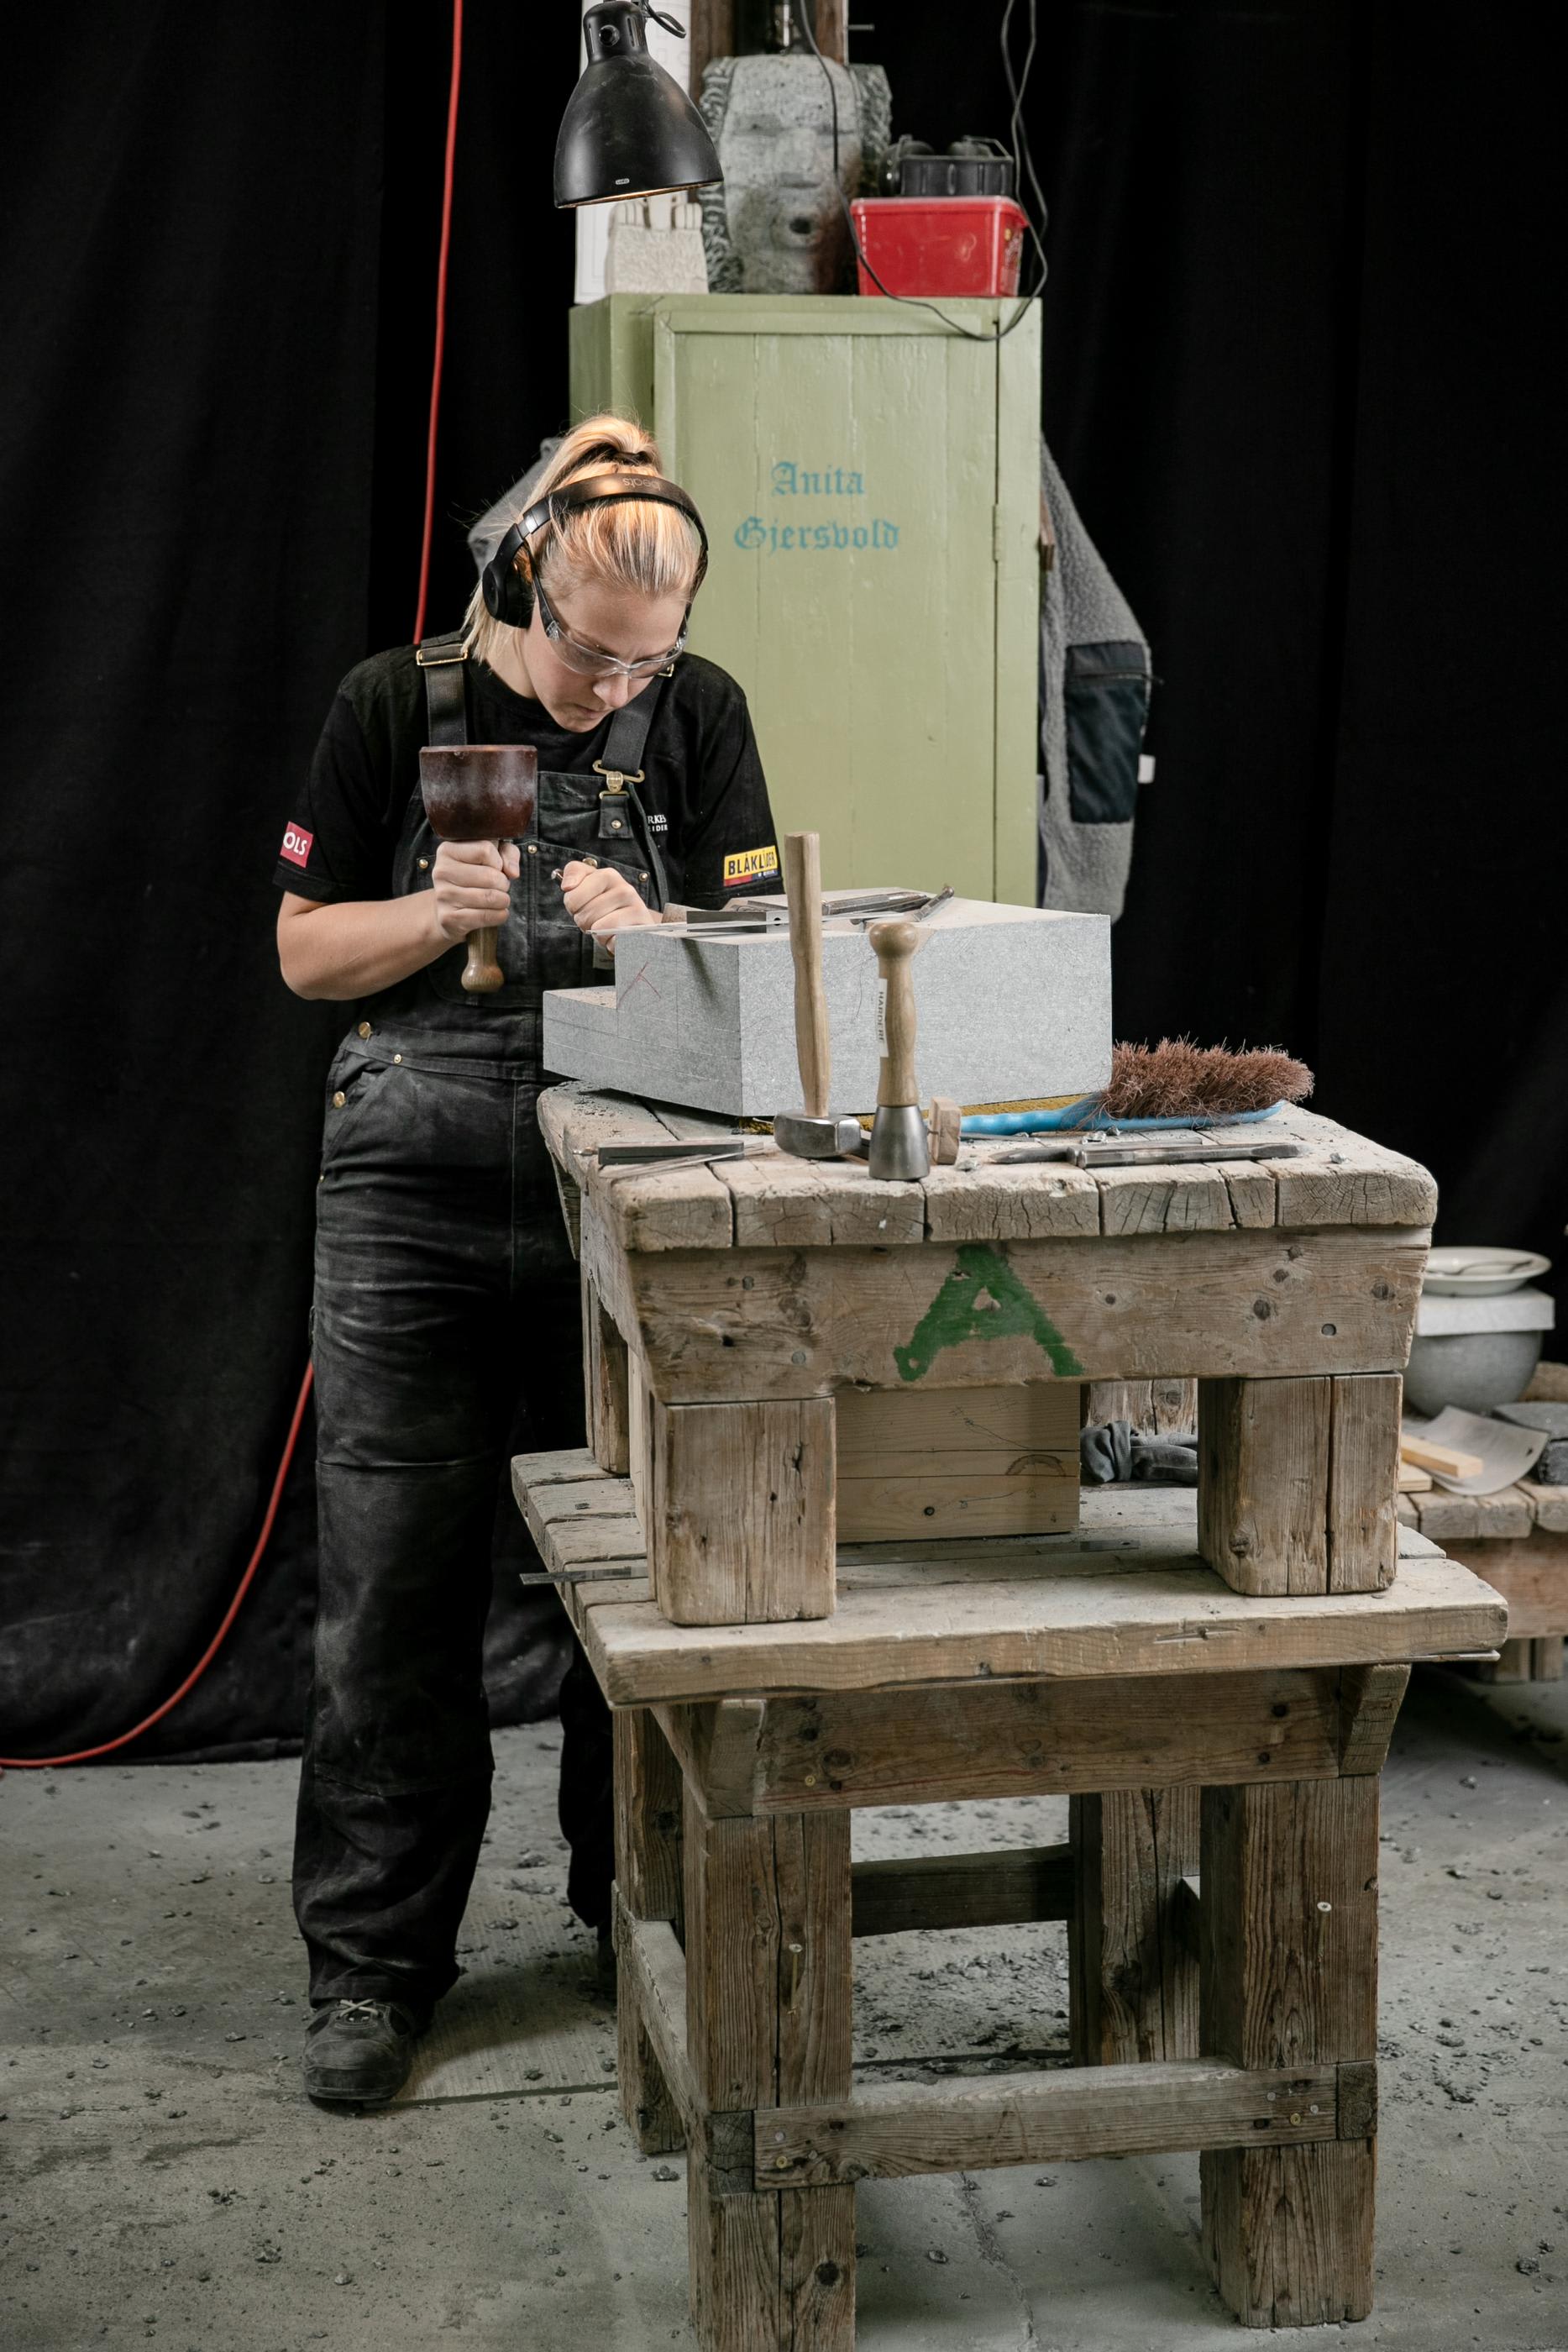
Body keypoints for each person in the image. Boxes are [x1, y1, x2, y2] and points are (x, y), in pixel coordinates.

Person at [273, 415, 782, 2106]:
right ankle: (372, 1968)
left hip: (617, 1183)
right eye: (588, 654)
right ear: (519, 586)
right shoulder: (390, 705)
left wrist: (670, 942)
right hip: (408, 1189)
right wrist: (438, 915)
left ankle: (631, 1909)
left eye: (647, 660)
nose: (612, 689)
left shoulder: (697, 718)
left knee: (628, 1576)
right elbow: (302, 954)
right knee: (389, 1591)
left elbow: (759, 977)